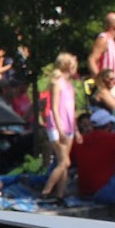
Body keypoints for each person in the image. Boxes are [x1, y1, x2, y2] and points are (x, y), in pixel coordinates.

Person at [41, 52, 79, 201]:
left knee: (64, 163)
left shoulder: (69, 84)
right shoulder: (57, 83)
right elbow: (54, 107)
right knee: (64, 161)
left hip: (68, 124)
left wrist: (76, 129)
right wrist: (60, 128)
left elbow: (72, 108)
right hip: (58, 125)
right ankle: (46, 190)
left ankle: (61, 194)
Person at [88, 12, 115, 92]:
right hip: (106, 86)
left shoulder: (111, 41)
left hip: (113, 85)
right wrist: (100, 79)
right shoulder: (104, 39)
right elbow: (92, 59)